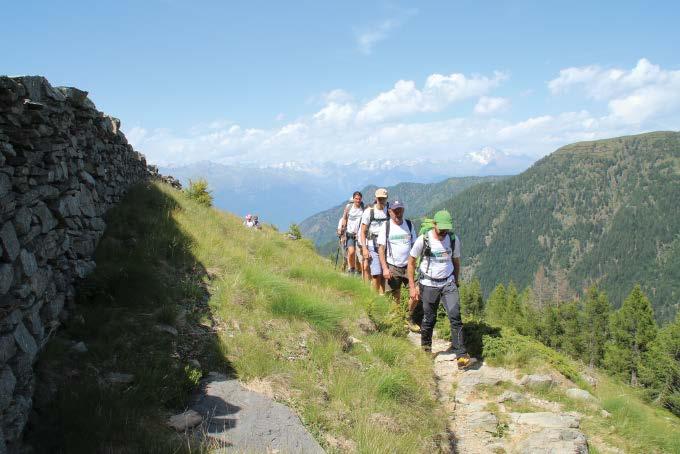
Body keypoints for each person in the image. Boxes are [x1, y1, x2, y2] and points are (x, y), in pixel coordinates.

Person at [407, 210, 471, 367]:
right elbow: (411, 262)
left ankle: (461, 354)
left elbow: (456, 262)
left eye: (446, 229)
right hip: (428, 284)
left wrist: (455, 281)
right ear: (434, 224)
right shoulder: (423, 239)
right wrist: (412, 286)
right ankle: (426, 350)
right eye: (441, 228)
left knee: (455, 316)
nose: (443, 232)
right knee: (429, 318)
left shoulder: (454, 240)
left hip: (448, 282)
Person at [377, 200, 416, 305]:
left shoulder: (409, 224)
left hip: (409, 266)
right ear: (390, 211)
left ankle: (409, 316)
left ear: (403, 210)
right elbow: (381, 249)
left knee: (415, 294)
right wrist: (385, 268)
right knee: (395, 297)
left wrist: (416, 263)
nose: (398, 213)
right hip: (393, 266)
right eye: (395, 210)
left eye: (400, 210)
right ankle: (398, 317)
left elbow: (414, 246)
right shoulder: (386, 226)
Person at [360, 188, 389, 294]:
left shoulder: (389, 211)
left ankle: (381, 296)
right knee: (376, 274)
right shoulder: (369, 212)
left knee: (384, 274)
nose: (381, 201)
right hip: (373, 245)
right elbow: (363, 232)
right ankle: (374, 298)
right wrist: (364, 248)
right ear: (376, 198)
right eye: (379, 199)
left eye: (383, 199)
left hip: (386, 245)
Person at [338, 191, 365, 275]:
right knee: (351, 252)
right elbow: (345, 218)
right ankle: (352, 270)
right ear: (353, 199)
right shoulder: (349, 207)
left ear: (361, 199)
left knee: (360, 256)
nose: (357, 200)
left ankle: (360, 271)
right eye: (356, 199)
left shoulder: (363, 208)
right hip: (349, 234)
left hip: (359, 235)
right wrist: (342, 229)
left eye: (359, 199)